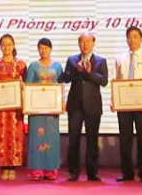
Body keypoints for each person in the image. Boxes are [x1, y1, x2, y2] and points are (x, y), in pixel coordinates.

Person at [58, 31, 108, 182]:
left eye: (88, 41)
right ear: (78, 43)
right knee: (73, 140)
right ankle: (73, 172)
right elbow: (64, 78)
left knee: (92, 140)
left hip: (93, 106)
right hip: (75, 106)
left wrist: (90, 72)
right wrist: (75, 70)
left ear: (93, 43)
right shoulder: (72, 60)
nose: (85, 44)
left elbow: (104, 81)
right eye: (82, 41)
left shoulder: (100, 61)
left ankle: (92, 173)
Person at [114, 26, 142, 183]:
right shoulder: (120, 58)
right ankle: (127, 173)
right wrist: (114, 101)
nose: (132, 40)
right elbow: (116, 81)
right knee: (125, 140)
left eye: (135, 37)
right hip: (124, 105)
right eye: (129, 37)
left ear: (141, 39)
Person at [0, 34, 27, 180]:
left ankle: (13, 167)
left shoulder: (21, 64)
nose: (6, 47)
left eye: (9, 44)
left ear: (14, 45)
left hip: (15, 108)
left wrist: (22, 87)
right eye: (4, 45)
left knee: (15, 136)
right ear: (0, 47)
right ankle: (4, 167)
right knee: (1, 136)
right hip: (0, 108)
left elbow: (27, 85)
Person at [25, 37, 63, 181]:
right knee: (36, 138)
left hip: (52, 110)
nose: (43, 50)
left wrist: (61, 103)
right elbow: (28, 86)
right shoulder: (33, 66)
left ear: (51, 49)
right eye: (40, 48)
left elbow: (60, 87)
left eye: (46, 47)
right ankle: (37, 169)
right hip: (36, 110)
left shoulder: (58, 66)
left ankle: (51, 169)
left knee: (52, 138)